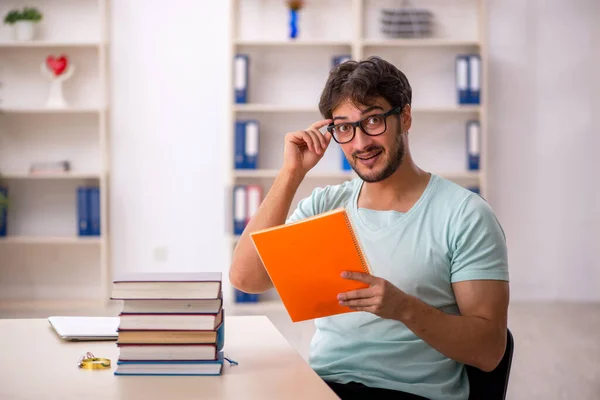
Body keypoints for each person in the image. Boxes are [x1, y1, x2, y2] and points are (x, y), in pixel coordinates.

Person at [229, 56, 509, 400]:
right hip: (324, 387)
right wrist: (291, 174)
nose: (360, 144)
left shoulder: (465, 215)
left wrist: (404, 309)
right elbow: (247, 279)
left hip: (411, 393)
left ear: (404, 117)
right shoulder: (324, 205)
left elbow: (490, 350)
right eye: (344, 127)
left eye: (373, 120)